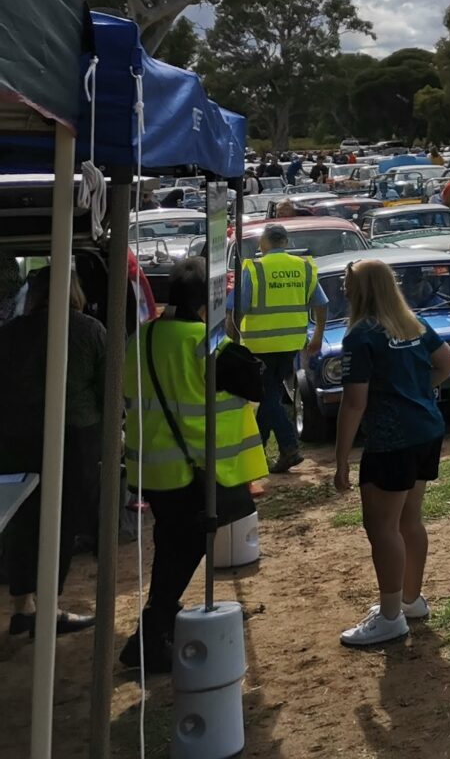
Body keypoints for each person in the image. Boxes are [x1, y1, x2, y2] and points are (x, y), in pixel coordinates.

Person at [120, 258, 266, 670]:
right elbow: (254, 381)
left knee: (171, 546)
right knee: (182, 550)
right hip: (194, 471)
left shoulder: (141, 338)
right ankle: (152, 633)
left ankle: (152, 631)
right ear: (208, 300)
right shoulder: (206, 341)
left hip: (152, 469)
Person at [332, 258, 450, 649]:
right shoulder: (412, 323)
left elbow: (353, 403)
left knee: (381, 527)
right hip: (426, 430)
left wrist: (340, 461)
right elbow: (447, 362)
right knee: (409, 520)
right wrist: (418, 392)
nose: (343, 289)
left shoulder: (361, 336)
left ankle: (390, 618)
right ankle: (409, 600)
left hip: (391, 441)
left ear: (363, 288)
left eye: (347, 282)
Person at [0, 268, 106, 638]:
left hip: (15, 438)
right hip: (73, 435)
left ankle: (22, 606)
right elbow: (107, 388)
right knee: (60, 522)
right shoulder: (88, 329)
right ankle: (49, 610)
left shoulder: (10, 333)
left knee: (22, 520)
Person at [238, 221, 328, 473]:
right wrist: (318, 334)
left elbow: (239, 308)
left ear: (263, 243)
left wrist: (232, 340)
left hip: (259, 344)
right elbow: (321, 303)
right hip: (291, 344)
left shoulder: (255, 269)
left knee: (268, 396)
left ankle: (289, 447)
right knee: (272, 396)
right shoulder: (302, 267)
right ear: (286, 242)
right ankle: (260, 450)